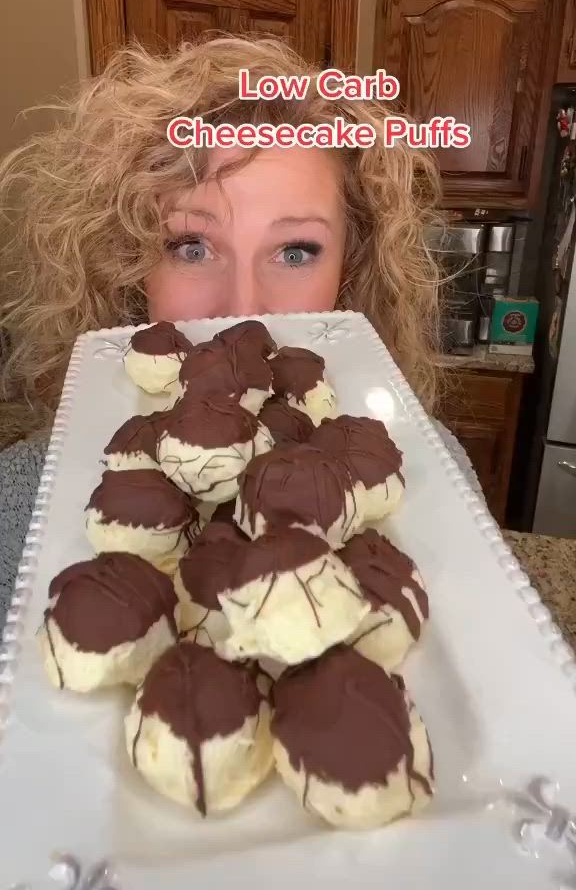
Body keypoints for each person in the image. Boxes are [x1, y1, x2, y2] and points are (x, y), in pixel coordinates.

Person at [0, 35, 480, 626]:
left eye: (296, 251)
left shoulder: (434, 471)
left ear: (352, 268)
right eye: (191, 246)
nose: (245, 310)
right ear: (126, 262)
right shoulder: (25, 497)